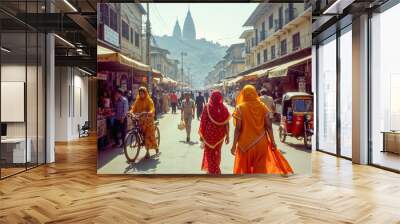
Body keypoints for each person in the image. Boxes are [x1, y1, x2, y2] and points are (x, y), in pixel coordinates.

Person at [231, 85, 293, 175]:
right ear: (255, 93)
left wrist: (233, 145)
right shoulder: (262, 106)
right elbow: (268, 126)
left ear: (243, 94)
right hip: (261, 143)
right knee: (260, 170)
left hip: (244, 145)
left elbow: (238, 129)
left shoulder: (240, 108)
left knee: (245, 172)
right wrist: (273, 142)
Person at [199, 90, 230, 174]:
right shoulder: (224, 108)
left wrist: (201, 135)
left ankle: (212, 170)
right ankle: (215, 168)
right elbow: (227, 123)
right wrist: (227, 135)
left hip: (208, 136)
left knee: (209, 153)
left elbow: (203, 121)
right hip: (220, 136)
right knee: (217, 152)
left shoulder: (207, 107)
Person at [130, 87, 158, 158]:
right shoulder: (137, 100)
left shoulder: (149, 100)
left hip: (148, 120)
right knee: (142, 134)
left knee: (148, 136)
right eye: (140, 93)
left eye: (143, 93)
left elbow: (152, 108)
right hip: (140, 120)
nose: (141, 94)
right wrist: (131, 112)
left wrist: (149, 112)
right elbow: (133, 109)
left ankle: (148, 152)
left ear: (145, 93)